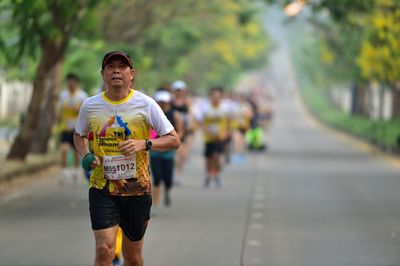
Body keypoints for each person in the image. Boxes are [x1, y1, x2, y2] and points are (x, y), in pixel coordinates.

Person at [74, 51, 180, 266]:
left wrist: (145, 144)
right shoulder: (90, 105)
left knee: (132, 257)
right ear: (103, 74)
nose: (116, 70)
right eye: (110, 66)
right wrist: (86, 155)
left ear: (131, 74)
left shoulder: (146, 104)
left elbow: (173, 139)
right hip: (101, 187)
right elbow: (78, 134)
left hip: (136, 189)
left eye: (122, 67)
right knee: (105, 249)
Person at [150, 89, 184, 215]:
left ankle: (167, 192)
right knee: (157, 178)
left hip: (168, 152)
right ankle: (155, 205)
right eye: (160, 102)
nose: (163, 104)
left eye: (164, 102)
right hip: (154, 151)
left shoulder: (174, 114)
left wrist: (173, 141)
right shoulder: (152, 114)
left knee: (168, 180)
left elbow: (180, 131)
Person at [196, 87, 230, 189]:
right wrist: (205, 131)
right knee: (209, 158)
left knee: (216, 156)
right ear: (210, 97)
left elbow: (228, 121)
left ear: (221, 97)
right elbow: (200, 121)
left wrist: (227, 133)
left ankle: (216, 174)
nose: (216, 98)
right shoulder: (205, 107)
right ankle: (208, 175)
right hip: (208, 138)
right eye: (214, 96)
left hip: (220, 137)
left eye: (218, 97)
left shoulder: (224, 108)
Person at [58, 73, 88, 185]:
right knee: (64, 149)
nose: (71, 84)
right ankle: (64, 172)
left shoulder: (82, 96)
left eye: (73, 82)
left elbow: (85, 113)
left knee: (76, 153)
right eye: (69, 81)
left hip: (77, 130)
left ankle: (75, 173)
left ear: (76, 83)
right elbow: (59, 111)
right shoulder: (63, 95)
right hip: (65, 128)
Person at [171, 80, 193, 185]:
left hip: (184, 132)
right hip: (172, 131)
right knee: (175, 155)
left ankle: (178, 175)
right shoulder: (170, 102)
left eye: (180, 90)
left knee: (182, 155)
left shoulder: (187, 102)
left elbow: (190, 115)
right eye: (177, 90)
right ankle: (173, 173)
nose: (178, 92)